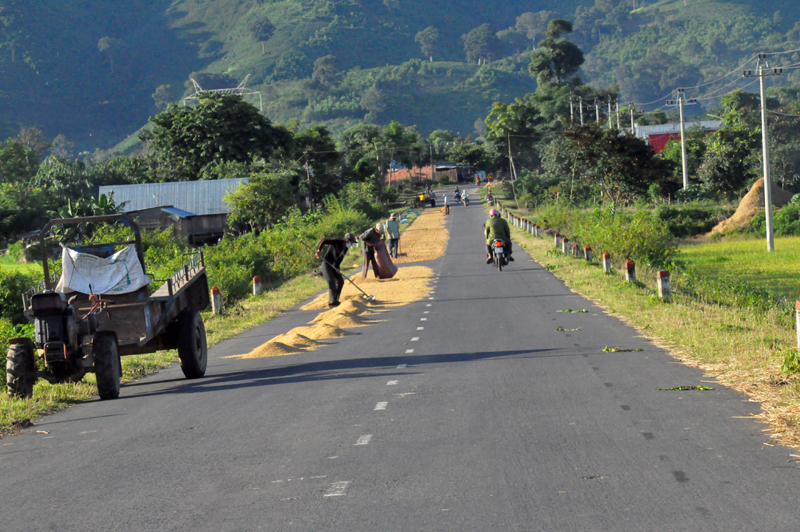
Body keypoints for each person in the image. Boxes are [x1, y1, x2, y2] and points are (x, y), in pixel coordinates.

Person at [315, 233, 357, 307]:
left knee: (341, 281)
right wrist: (319, 250)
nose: (351, 244)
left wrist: (338, 268)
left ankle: (335, 299)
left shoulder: (345, 249)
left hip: (334, 266)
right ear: (347, 240)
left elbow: (339, 259)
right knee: (332, 282)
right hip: (326, 264)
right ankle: (332, 302)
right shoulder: (337, 241)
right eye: (351, 242)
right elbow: (324, 240)